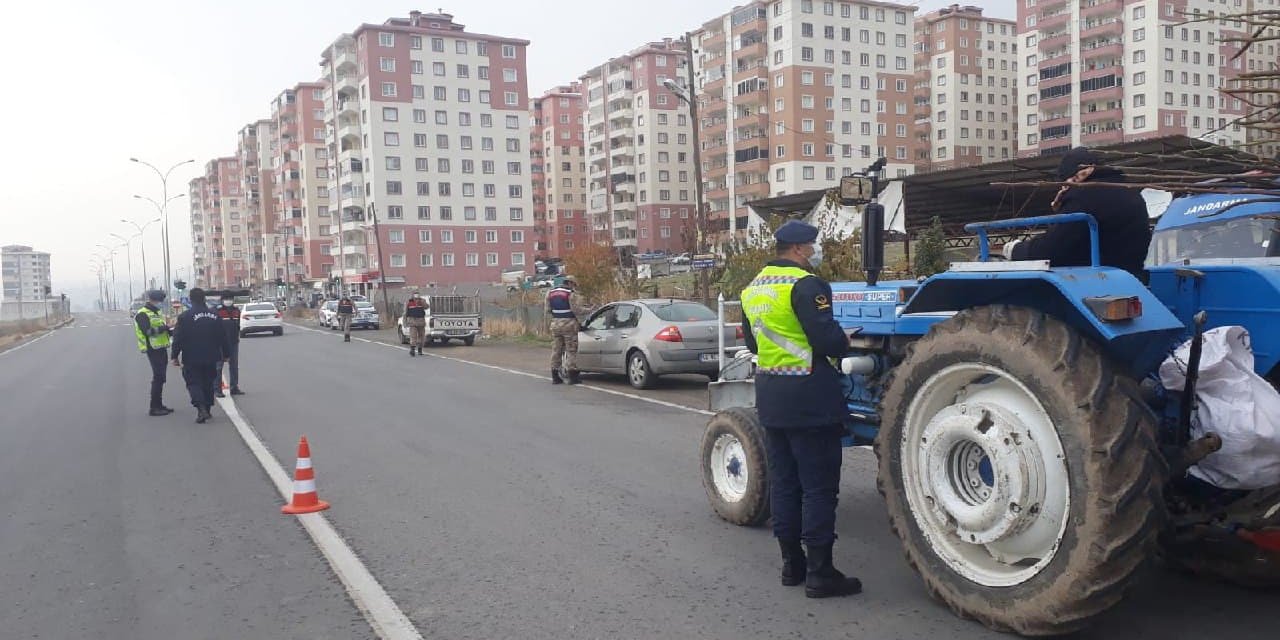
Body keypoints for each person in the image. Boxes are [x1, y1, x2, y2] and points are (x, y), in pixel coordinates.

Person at [740, 220, 861, 599]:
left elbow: (755, 346)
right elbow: (826, 340)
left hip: (772, 395)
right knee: (819, 489)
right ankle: (821, 573)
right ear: (798, 250)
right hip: (810, 397)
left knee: (786, 485)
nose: (816, 251)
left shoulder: (752, 289)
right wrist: (844, 339)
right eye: (814, 245)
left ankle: (792, 565)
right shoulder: (805, 284)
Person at [1004, 146, 1152, 278]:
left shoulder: (1083, 196)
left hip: (1095, 279)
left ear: (1078, 176)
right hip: (1133, 276)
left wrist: (1016, 250)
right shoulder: (1131, 192)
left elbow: (1052, 250)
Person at [170, 288, 230, 424]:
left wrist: (174, 356)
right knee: (208, 382)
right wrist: (226, 354)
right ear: (204, 299)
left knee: (193, 383)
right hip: (211, 355)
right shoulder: (215, 315)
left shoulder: (185, 317)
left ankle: (201, 408)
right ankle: (207, 409)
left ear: (190, 299)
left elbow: (178, 338)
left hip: (191, 356)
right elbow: (223, 337)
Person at [134, 289, 175, 416]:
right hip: (152, 349)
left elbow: (164, 330)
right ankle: (154, 407)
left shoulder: (157, 313)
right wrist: (165, 328)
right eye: (160, 301)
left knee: (161, 378)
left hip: (161, 348)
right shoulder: (142, 314)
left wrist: (172, 329)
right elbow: (148, 331)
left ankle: (159, 404)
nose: (161, 303)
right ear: (154, 301)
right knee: (158, 377)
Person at [545, 275, 580, 385]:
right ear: (570, 283)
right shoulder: (570, 293)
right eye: (574, 285)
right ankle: (572, 377)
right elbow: (576, 310)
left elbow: (547, 310)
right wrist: (589, 309)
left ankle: (555, 377)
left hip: (555, 324)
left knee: (556, 350)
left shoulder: (550, 292)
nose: (574, 287)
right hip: (569, 325)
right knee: (571, 350)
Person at [214, 293, 244, 396]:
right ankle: (217, 389)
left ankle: (234, 387)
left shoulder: (236, 311)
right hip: (220, 343)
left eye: (230, 299)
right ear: (222, 300)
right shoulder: (217, 311)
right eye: (226, 299)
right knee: (218, 367)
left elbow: (238, 325)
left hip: (233, 342)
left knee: (234, 366)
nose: (228, 301)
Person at [404, 290, 429, 356]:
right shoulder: (408, 302)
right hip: (412, 322)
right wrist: (405, 322)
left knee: (422, 336)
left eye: (417, 294)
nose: (416, 295)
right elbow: (405, 313)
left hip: (421, 322)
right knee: (413, 336)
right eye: (415, 294)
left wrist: (422, 302)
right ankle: (412, 350)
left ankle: (420, 350)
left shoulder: (422, 301)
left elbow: (426, 307)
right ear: (412, 294)